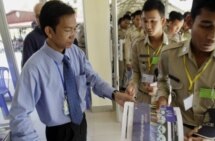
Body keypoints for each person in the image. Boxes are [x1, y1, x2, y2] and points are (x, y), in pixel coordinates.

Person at [9, 1, 134, 141]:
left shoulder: (76, 53)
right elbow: (19, 114)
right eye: (68, 30)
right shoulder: (34, 67)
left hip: (81, 123)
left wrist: (114, 94)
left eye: (75, 29)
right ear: (49, 31)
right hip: (58, 132)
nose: (73, 35)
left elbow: (93, 78)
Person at [157, 0, 215, 140]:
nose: (213, 36)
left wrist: (207, 135)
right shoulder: (169, 54)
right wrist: (162, 97)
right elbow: (162, 81)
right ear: (189, 21)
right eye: (206, 26)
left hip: (211, 134)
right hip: (174, 127)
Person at [126, 0, 168, 104]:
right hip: (142, 97)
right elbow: (136, 72)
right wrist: (132, 84)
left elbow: (177, 79)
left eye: (153, 21)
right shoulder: (138, 44)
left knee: (161, 120)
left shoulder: (173, 46)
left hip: (162, 100)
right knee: (141, 120)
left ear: (163, 21)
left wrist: (159, 89)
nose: (148, 26)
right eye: (145, 21)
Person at [21, 2, 45, 67]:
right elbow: (27, 67)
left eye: (44, 14)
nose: (41, 18)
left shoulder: (57, 33)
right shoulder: (30, 39)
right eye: (38, 16)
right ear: (35, 17)